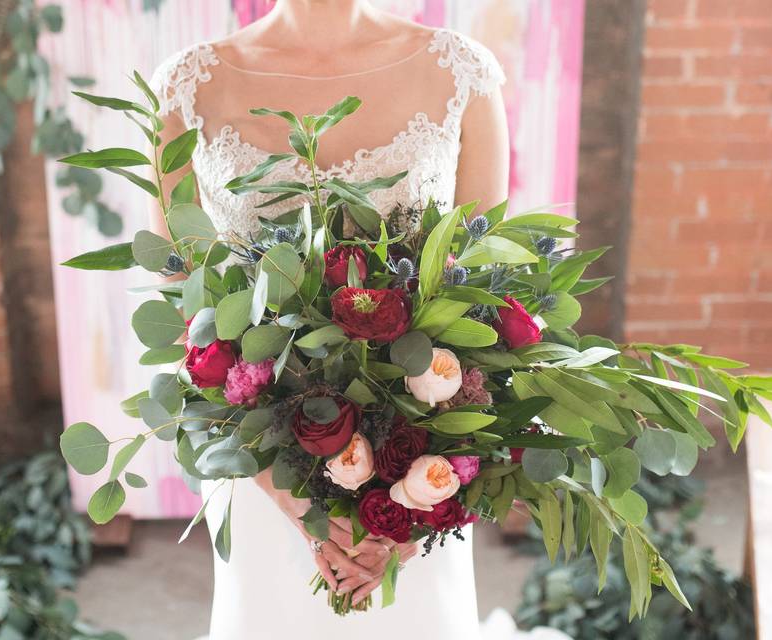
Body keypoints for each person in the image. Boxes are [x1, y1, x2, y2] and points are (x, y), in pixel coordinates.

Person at [149, 1, 510, 637]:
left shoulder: (462, 72)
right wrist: (284, 490)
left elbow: (485, 296)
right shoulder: (188, 86)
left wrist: (405, 511)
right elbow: (186, 307)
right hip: (259, 465)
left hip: (421, 463)